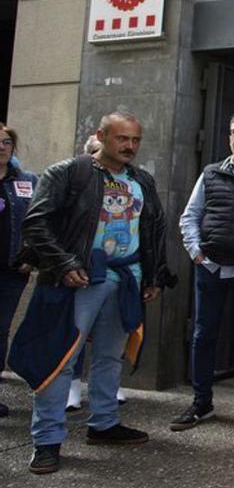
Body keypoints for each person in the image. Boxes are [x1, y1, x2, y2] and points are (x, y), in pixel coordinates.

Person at [16, 111, 172, 475]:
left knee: (109, 355)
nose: (130, 146)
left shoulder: (142, 180)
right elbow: (36, 222)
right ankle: (47, 440)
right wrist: (65, 264)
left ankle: (104, 424)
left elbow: (154, 230)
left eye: (135, 140)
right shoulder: (68, 173)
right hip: (79, 279)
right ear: (101, 135)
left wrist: (154, 276)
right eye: (122, 139)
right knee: (61, 358)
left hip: (127, 278)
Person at [171, 112, 234, 431]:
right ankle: (202, 402)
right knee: (203, 335)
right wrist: (197, 253)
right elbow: (190, 216)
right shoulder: (211, 173)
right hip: (210, 267)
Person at [67, 133, 129, 411]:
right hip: (82, 273)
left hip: (121, 274)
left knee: (110, 348)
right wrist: (66, 264)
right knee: (72, 342)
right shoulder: (71, 178)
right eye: (96, 151)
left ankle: (104, 414)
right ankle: (69, 390)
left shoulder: (136, 183)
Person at [0, 122, 36, 420]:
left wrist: (31, 257)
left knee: (0, 330)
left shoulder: (26, 182)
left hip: (12, 271)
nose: (2, 146)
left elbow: (38, 223)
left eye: (7, 142)